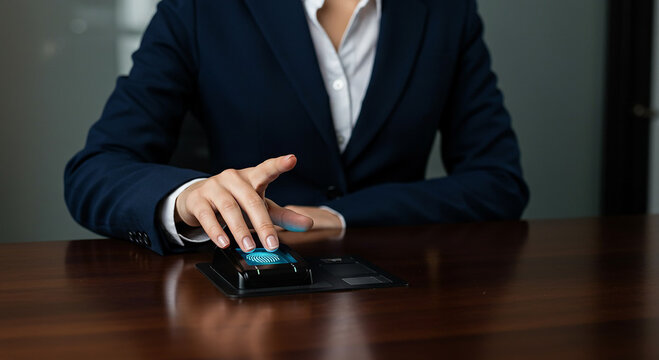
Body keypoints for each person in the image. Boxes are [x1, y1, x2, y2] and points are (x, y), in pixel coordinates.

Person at [65, 0, 529, 255]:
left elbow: (499, 182)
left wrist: (346, 215)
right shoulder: (199, 9)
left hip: (407, 301)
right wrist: (187, 196)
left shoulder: (447, 12)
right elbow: (95, 171)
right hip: (246, 300)